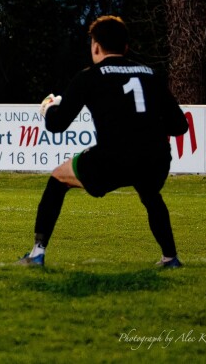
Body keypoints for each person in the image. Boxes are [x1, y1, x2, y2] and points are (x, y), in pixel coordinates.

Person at [17, 16, 189, 268]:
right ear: (126, 47)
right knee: (150, 193)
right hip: (156, 158)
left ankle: (37, 253)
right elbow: (180, 126)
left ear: (95, 46)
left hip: (114, 158)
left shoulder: (89, 76)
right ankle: (170, 257)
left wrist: (48, 109)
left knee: (58, 178)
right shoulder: (152, 74)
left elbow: (57, 124)